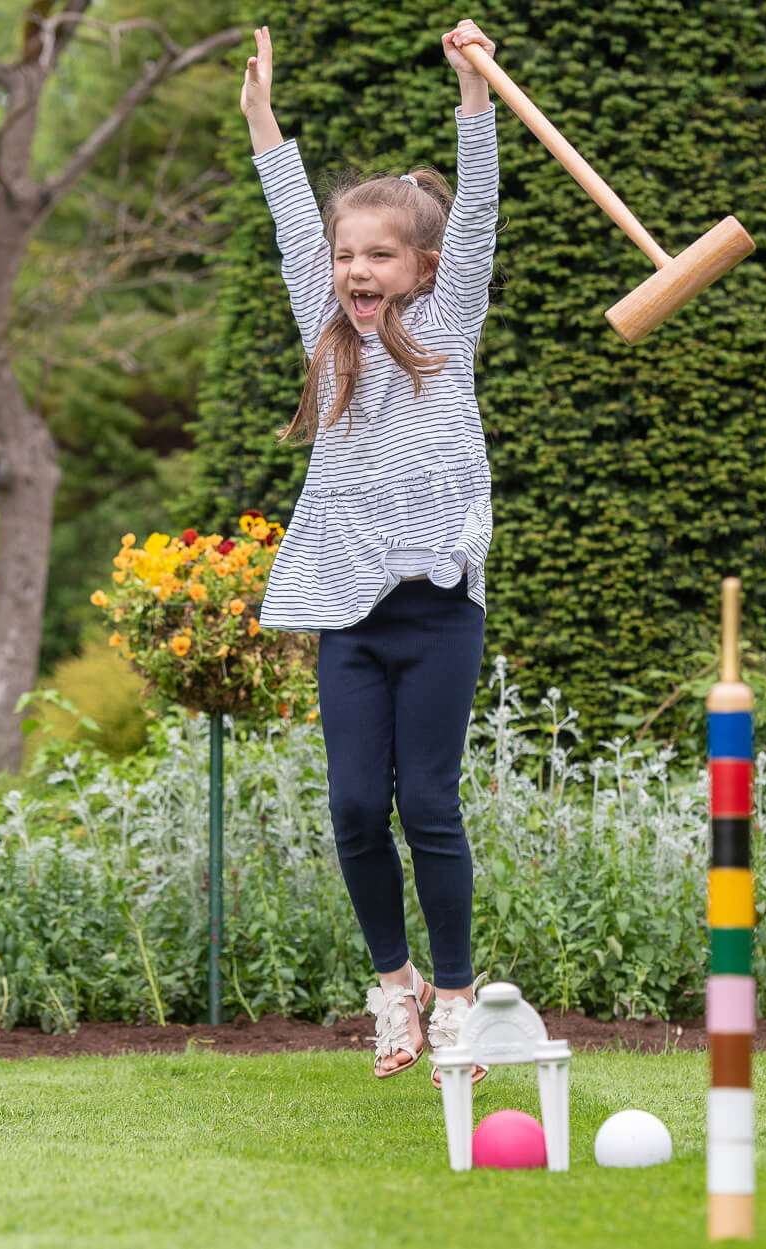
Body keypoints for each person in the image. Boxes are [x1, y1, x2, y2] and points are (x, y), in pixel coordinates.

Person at [239, 19, 499, 1082]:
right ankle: (394, 986)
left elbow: (477, 216)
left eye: (379, 255)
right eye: (347, 255)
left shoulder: (449, 322)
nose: (355, 268)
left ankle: (457, 998)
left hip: (438, 605)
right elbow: (291, 224)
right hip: (349, 606)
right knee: (354, 805)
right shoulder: (328, 325)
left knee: (427, 803)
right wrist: (263, 120)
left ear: (424, 269)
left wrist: (474, 99)